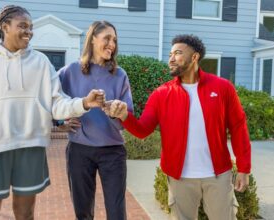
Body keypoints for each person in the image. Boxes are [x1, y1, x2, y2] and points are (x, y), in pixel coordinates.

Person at [0, 5, 104, 220]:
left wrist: (84, 103)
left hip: (31, 148)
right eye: (22, 26)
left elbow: (57, 104)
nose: (28, 31)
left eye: (31, 27)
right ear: (5, 26)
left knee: (25, 214)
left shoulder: (41, 62)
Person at [105, 34, 251, 220]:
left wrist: (244, 168)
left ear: (194, 57)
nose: (171, 59)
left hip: (218, 175)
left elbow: (238, 127)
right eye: (170, 54)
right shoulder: (161, 94)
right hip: (179, 177)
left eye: (178, 53)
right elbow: (143, 130)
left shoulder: (223, 88)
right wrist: (124, 115)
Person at [57, 20, 133, 220]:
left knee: (116, 213)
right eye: (107, 38)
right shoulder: (69, 72)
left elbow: (129, 117)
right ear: (92, 40)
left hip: (113, 152)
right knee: (82, 212)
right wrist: (59, 123)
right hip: (79, 151)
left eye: (115, 40)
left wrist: (118, 112)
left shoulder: (120, 75)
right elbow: (50, 101)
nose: (112, 44)